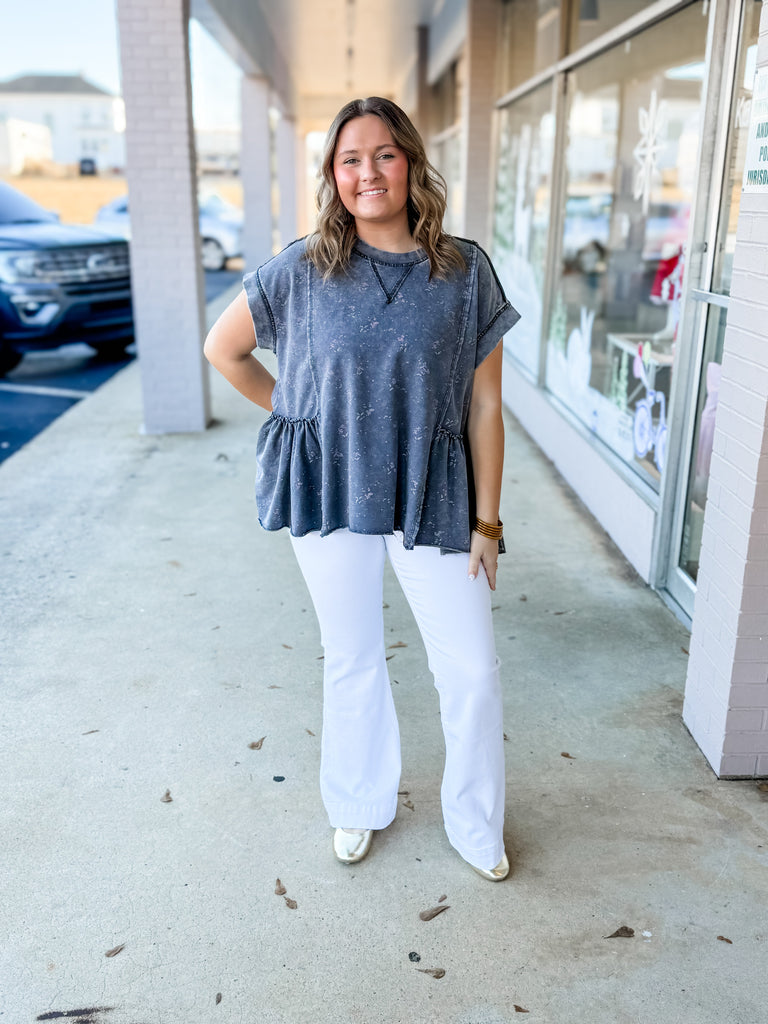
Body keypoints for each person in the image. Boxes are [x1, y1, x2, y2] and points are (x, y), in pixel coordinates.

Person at [204, 97, 520, 881]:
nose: (368, 172)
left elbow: (485, 405)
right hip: (330, 490)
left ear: (410, 162)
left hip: (433, 490)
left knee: (472, 671)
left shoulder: (464, 270)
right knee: (352, 657)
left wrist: (488, 522)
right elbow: (224, 349)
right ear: (333, 175)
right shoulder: (304, 267)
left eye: (383, 154)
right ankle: (357, 803)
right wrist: (299, 417)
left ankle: (475, 823)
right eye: (350, 159)